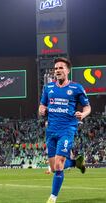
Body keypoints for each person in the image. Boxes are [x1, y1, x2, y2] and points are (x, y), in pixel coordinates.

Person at [38, 57, 91, 203]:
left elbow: (87, 107)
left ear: (67, 70)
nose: (57, 70)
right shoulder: (48, 88)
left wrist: (83, 114)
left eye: (61, 68)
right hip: (51, 130)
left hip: (67, 129)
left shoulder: (76, 88)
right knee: (54, 168)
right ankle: (76, 163)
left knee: (59, 163)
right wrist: (42, 110)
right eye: (55, 69)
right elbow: (42, 105)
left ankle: (52, 198)